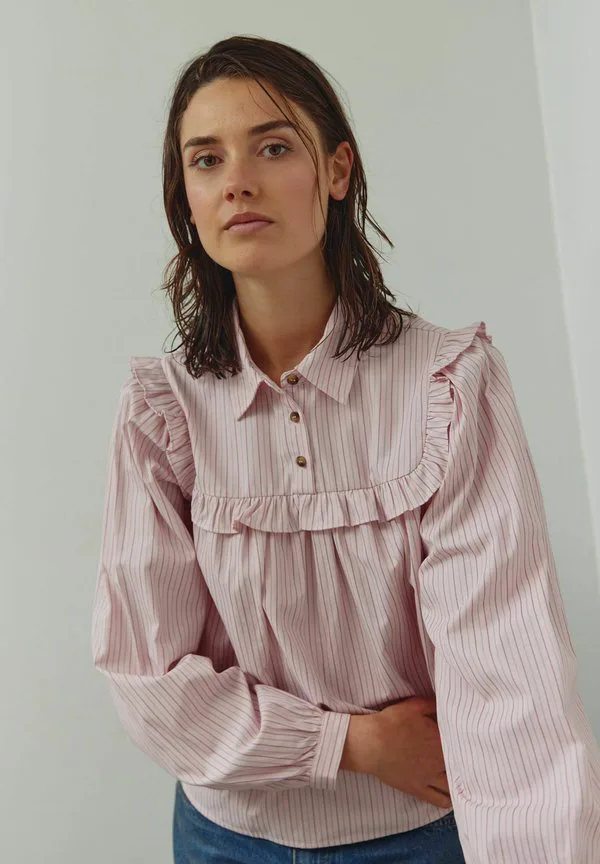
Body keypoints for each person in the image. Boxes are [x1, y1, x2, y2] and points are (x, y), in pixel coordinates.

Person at [91, 35, 600, 863]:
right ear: (186, 197)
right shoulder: (162, 412)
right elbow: (148, 679)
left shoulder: (447, 386)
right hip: (226, 839)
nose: (238, 181)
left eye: (272, 146)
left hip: (421, 833)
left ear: (337, 170)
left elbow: (510, 673)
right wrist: (347, 743)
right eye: (207, 160)